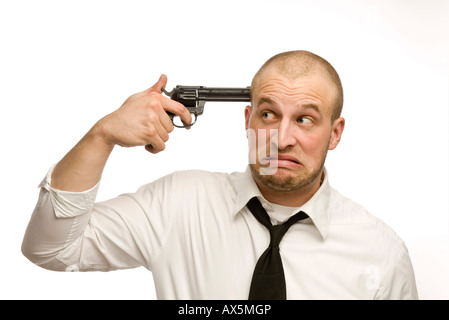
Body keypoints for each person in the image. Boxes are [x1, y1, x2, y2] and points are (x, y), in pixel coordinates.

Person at [21, 50, 418, 299]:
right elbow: (50, 249)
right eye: (268, 114)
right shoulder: (178, 204)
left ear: (334, 133)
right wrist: (100, 135)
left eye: (305, 120)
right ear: (247, 120)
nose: (282, 139)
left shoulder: (381, 254)